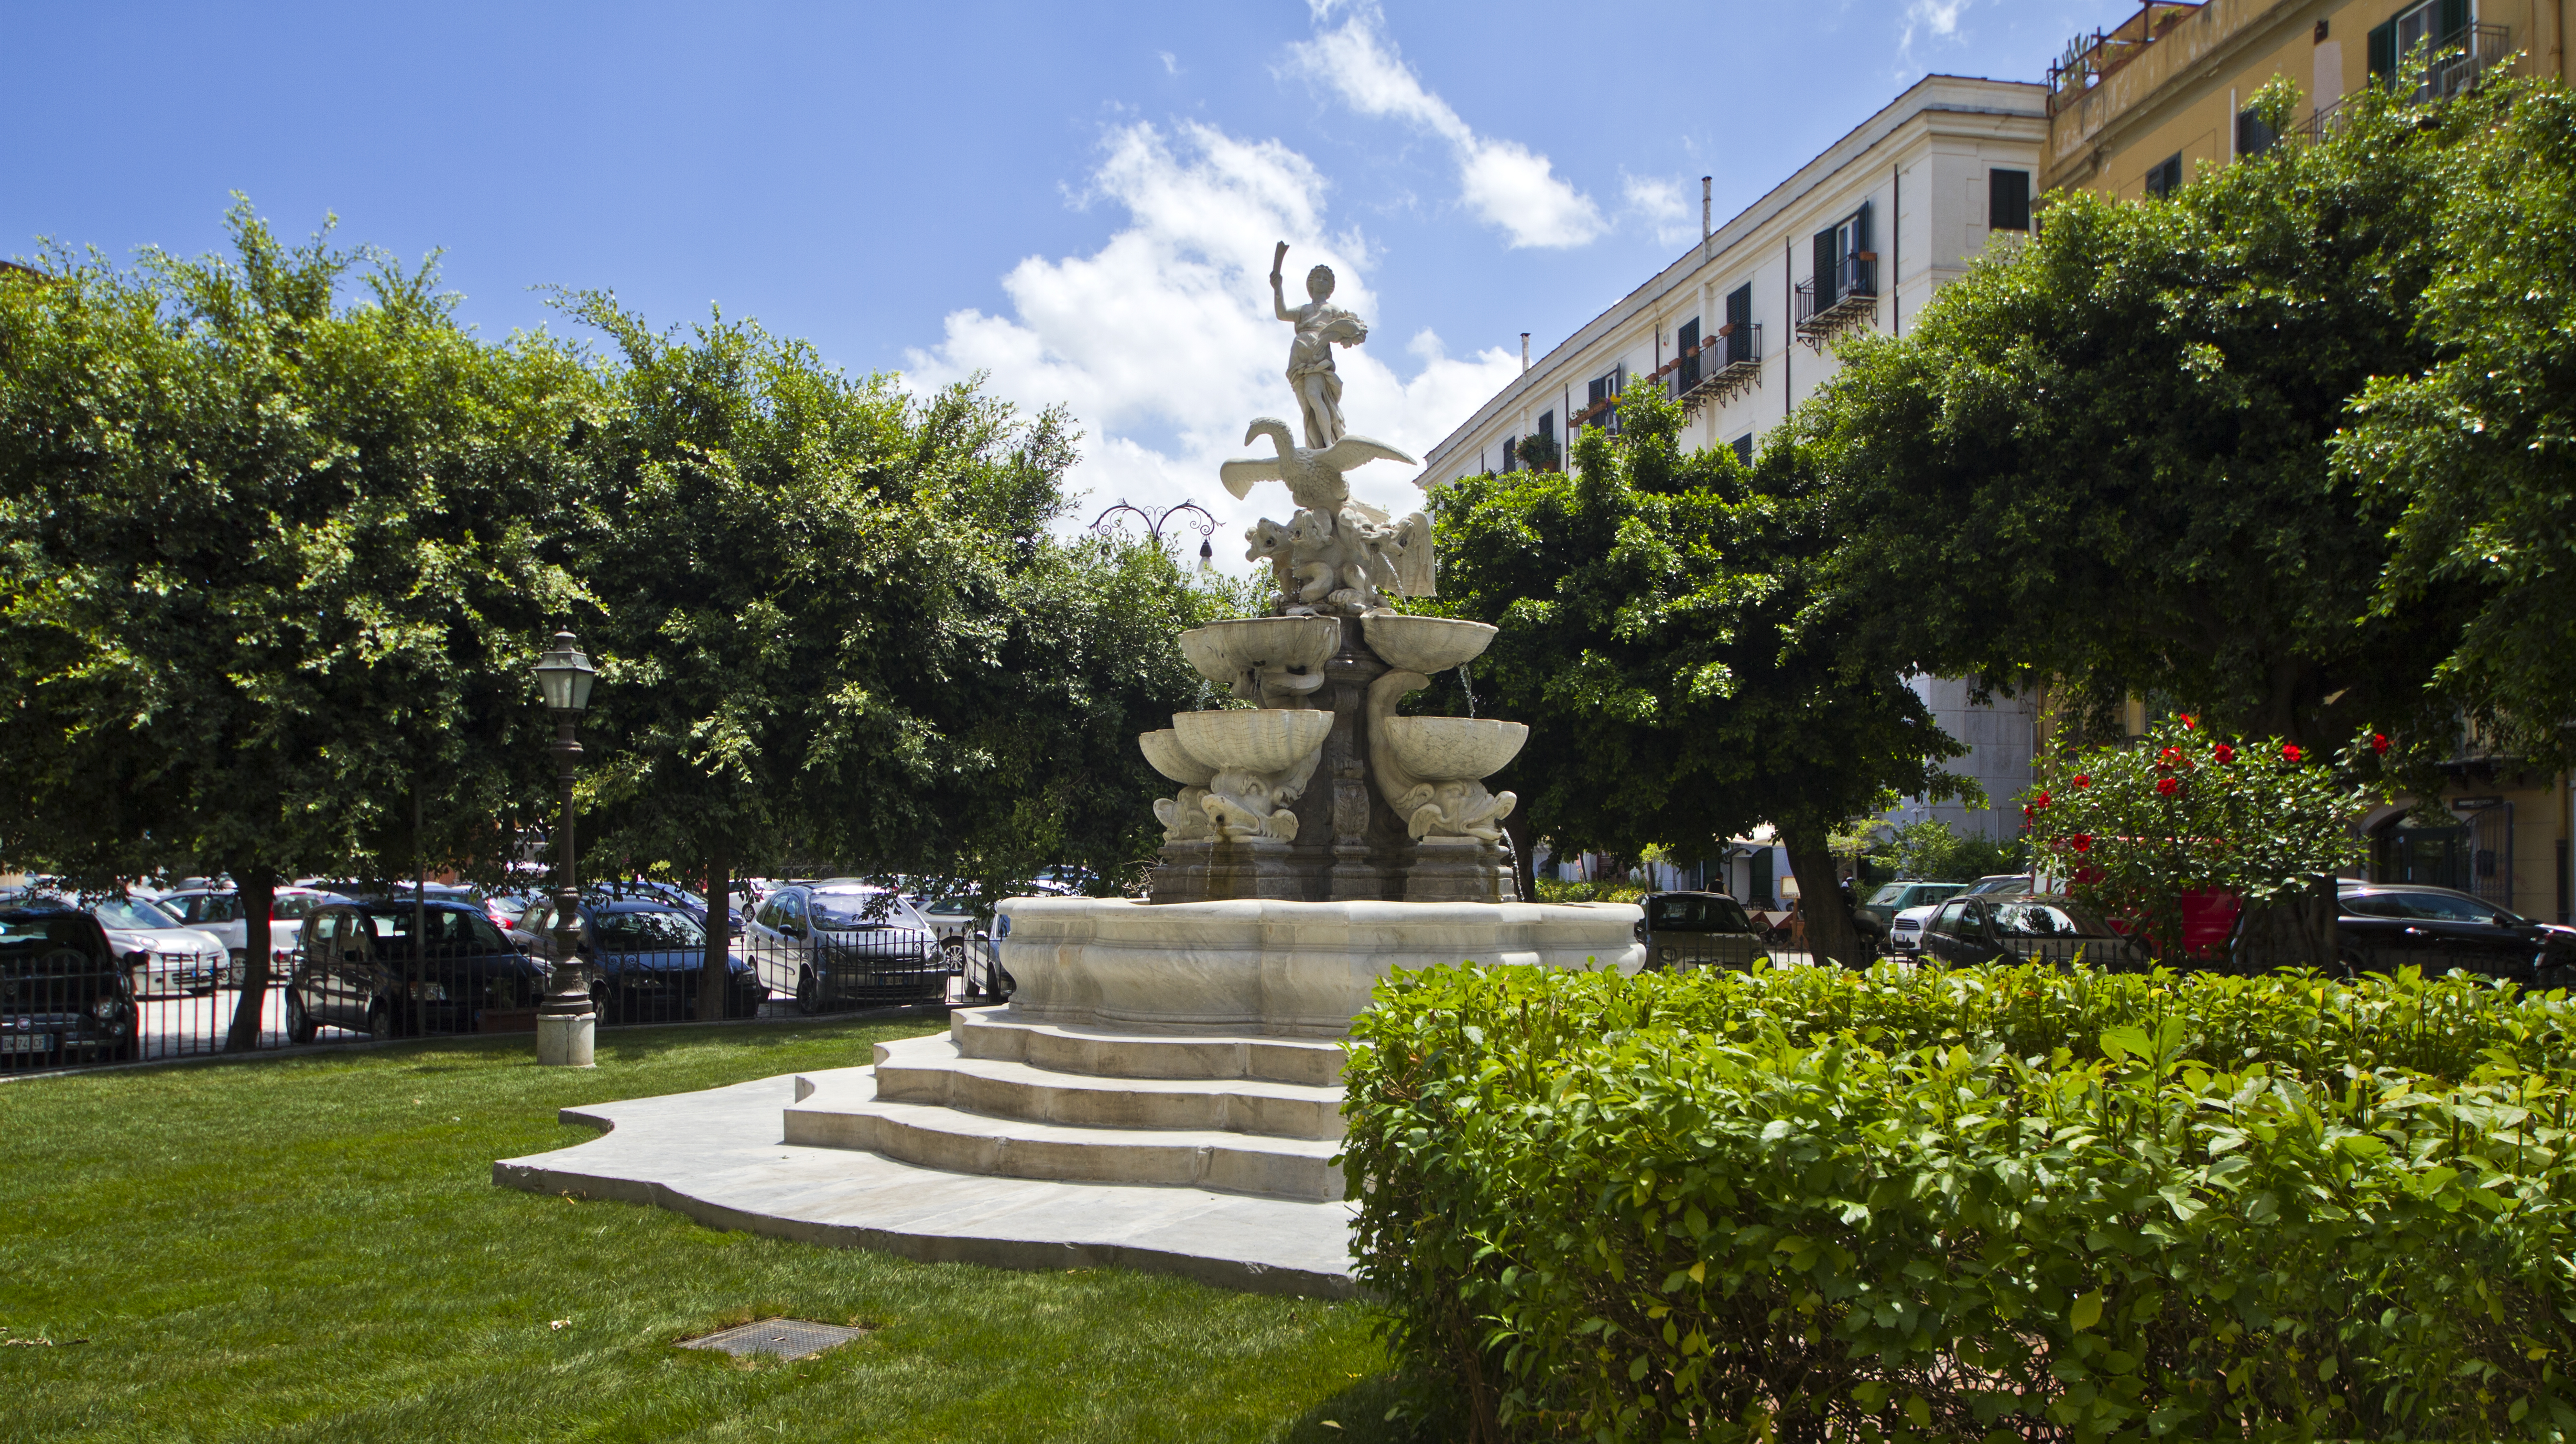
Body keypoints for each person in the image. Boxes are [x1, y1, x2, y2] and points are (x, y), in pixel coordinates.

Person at [1270, 242, 1368, 449]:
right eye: (1318, 278)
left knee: (1315, 396)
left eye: (1326, 279)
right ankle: (1316, 448)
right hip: (1299, 354)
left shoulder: (1332, 309)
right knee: (1307, 408)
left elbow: (1353, 330)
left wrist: (1326, 338)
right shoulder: (1304, 310)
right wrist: (1278, 288)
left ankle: (1329, 442)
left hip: (1317, 355)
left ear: (1330, 287)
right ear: (1311, 283)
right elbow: (1281, 314)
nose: (1322, 281)